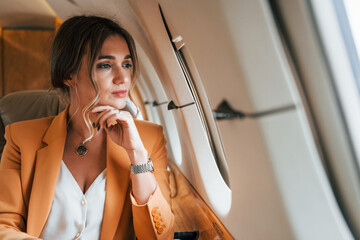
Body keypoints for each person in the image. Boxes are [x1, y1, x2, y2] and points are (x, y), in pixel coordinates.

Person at [0, 15, 175, 240]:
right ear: (68, 74)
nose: (123, 78)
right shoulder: (21, 138)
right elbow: (3, 226)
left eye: (127, 64)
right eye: (105, 65)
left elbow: (161, 237)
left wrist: (137, 155)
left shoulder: (149, 139)